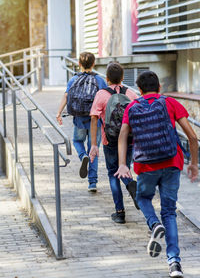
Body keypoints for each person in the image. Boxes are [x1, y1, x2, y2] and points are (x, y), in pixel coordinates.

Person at [115, 70, 199, 277]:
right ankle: (174, 264)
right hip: (172, 163)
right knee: (169, 211)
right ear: (159, 87)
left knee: (143, 198)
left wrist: (122, 164)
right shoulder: (169, 102)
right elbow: (192, 136)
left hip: (146, 166)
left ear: (139, 90)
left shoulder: (132, 107)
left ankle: (154, 224)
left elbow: (122, 136)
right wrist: (194, 163)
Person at [89, 62, 139, 224]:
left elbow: (94, 119)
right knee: (124, 168)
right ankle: (131, 183)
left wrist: (94, 145)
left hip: (108, 140)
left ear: (107, 78)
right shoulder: (131, 94)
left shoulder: (102, 94)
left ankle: (120, 212)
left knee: (113, 173)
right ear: (123, 78)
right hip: (129, 139)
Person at [56, 52, 107, 192]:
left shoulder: (73, 80)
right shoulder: (100, 80)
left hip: (79, 119)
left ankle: (82, 156)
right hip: (94, 121)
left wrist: (59, 112)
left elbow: (66, 96)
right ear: (93, 63)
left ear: (79, 64)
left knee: (77, 141)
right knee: (93, 149)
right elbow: (105, 100)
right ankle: (92, 183)